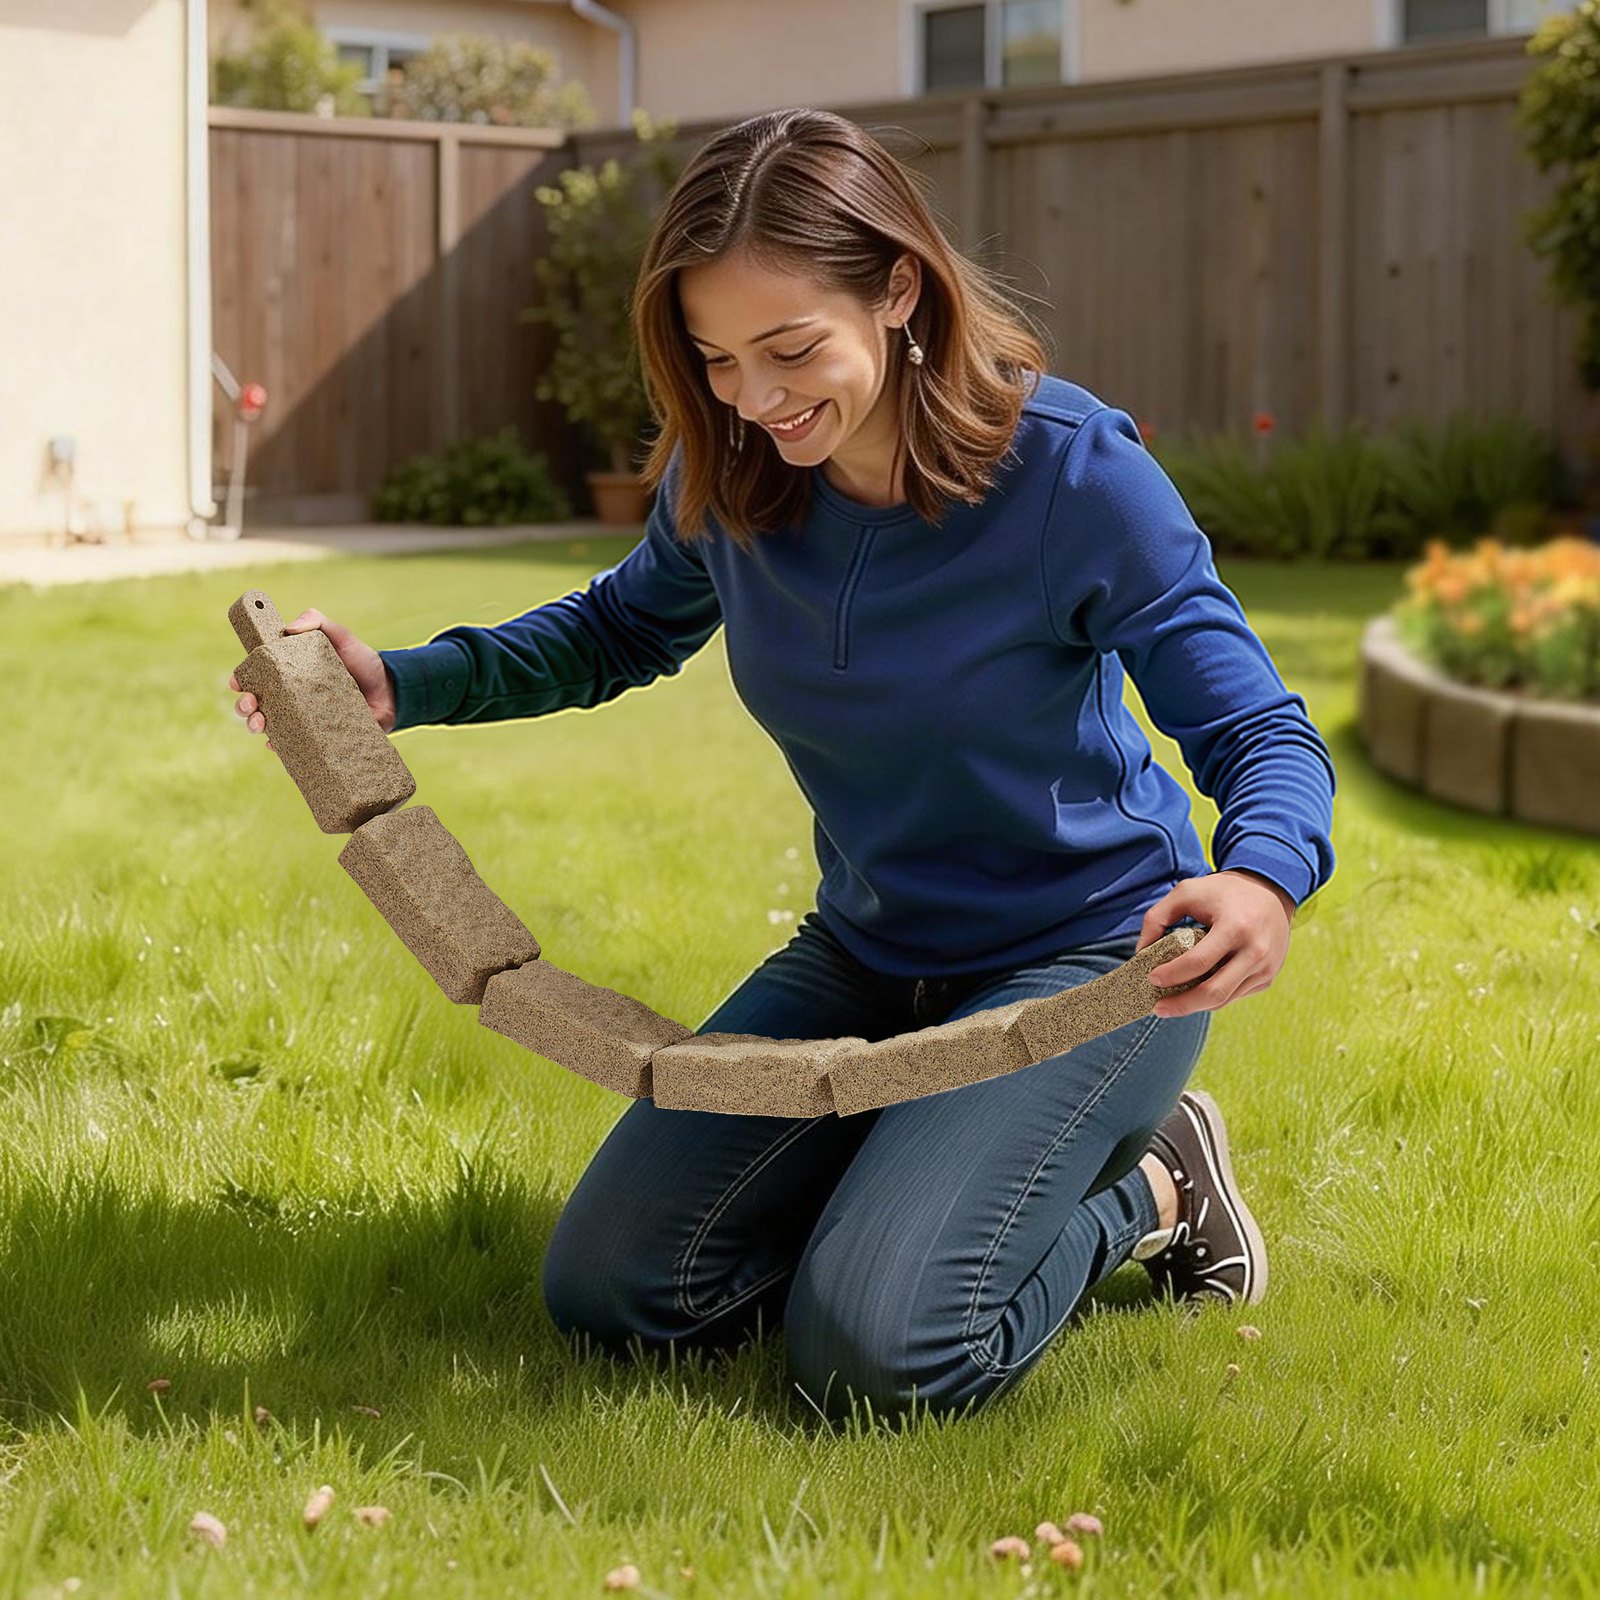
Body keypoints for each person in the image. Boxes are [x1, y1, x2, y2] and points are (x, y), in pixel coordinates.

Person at [230, 107, 1336, 1430]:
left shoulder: (1073, 477)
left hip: (1087, 962)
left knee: (877, 1358)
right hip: (867, 951)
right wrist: (405, 682)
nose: (754, 398)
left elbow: (1258, 729)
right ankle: (900, 1189)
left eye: (791, 349)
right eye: (717, 360)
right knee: (617, 1291)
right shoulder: (736, 468)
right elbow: (618, 630)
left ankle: (1153, 1189)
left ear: (899, 290)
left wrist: (1265, 875)